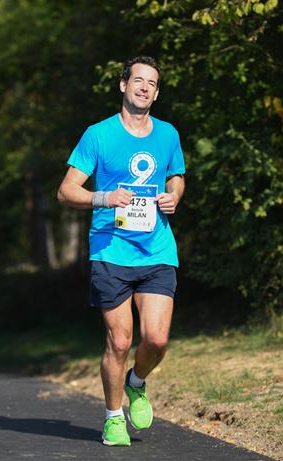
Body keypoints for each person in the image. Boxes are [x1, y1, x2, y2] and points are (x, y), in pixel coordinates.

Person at [57, 56, 185, 446]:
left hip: (157, 249)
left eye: (152, 83)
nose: (144, 87)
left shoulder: (167, 134)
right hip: (110, 251)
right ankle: (113, 418)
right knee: (119, 341)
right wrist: (105, 197)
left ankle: (137, 382)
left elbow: (176, 177)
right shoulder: (98, 135)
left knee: (157, 340)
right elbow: (66, 191)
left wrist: (174, 197)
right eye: (138, 80)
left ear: (156, 93)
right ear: (123, 85)